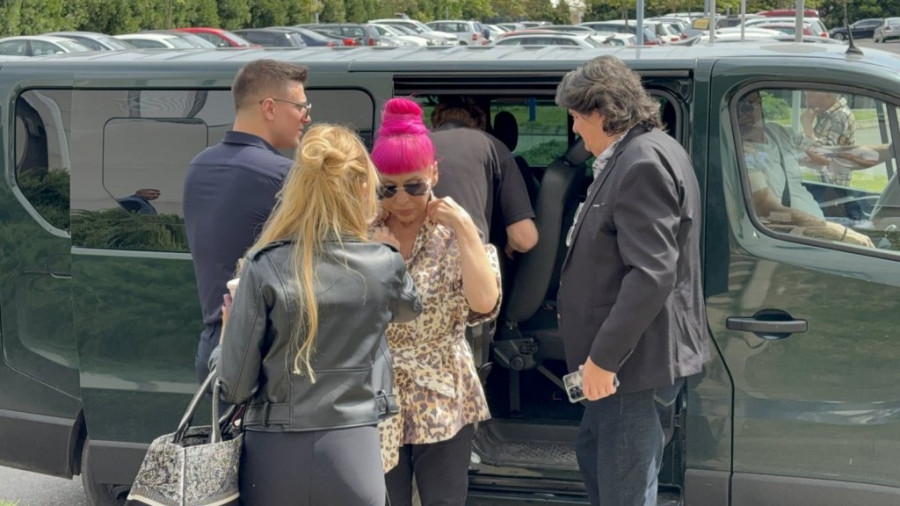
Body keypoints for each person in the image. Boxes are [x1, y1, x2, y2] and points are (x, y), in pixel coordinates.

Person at [215, 124, 422, 505]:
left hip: (274, 457)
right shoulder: (384, 264)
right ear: (363, 188)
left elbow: (234, 387)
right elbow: (409, 308)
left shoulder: (265, 264)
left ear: (299, 187)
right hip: (355, 452)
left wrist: (226, 339)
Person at [554, 55, 711, 506]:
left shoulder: (641, 162)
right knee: (601, 466)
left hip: (630, 369)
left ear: (601, 112)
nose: (574, 129)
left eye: (576, 117)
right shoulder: (646, 151)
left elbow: (651, 274)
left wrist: (603, 360)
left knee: (623, 490)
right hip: (627, 368)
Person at [370, 97, 502, 506]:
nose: (402, 200)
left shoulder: (453, 234)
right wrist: (378, 256)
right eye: (388, 188)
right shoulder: (363, 235)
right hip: (377, 392)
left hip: (442, 390)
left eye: (414, 186)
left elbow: (484, 303)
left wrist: (463, 226)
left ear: (434, 173)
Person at [183, 59, 311, 384]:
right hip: (265, 352)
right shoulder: (284, 176)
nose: (306, 116)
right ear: (269, 107)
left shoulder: (198, 166)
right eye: (300, 106)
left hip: (215, 343)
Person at [738, 91, 875, 247]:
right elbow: (769, 210)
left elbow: (824, 155)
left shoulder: (778, 133)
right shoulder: (742, 153)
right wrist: (837, 233)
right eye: (737, 107)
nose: (741, 115)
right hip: (793, 237)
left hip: (816, 224)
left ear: (759, 104)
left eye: (747, 106)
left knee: (879, 229)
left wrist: (886, 152)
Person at [430, 97, 538, 258]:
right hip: (470, 261)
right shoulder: (493, 146)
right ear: (480, 123)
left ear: (435, 122)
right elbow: (524, 239)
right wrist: (508, 249)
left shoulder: (413, 146)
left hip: (419, 262)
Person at [801, 91, 856, 185]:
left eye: (810, 97)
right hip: (824, 182)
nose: (807, 103)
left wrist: (807, 126)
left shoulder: (839, 117)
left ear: (829, 95)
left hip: (832, 186)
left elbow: (824, 155)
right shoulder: (827, 115)